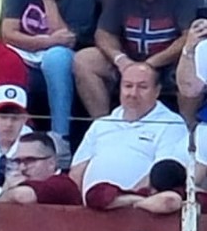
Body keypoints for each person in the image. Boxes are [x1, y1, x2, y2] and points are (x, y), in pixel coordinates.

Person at [79, 0, 199, 118]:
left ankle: (186, 128)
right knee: (84, 60)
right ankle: (104, 125)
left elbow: (190, 36)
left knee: (195, 61)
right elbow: (104, 34)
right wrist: (122, 61)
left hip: (170, 64)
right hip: (129, 61)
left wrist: (150, 64)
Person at [2, 0, 94, 140]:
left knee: (56, 57)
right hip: (25, 51)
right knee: (3, 57)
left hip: (61, 55)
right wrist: (47, 41)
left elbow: (67, 40)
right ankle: (10, 135)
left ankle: (59, 137)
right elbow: (8, 32)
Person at [69, 63, 189, 212]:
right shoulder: (101, 124)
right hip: (91, 209)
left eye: (142, 87)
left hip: (139, 210)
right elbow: (77, 171)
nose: (133, 93)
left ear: (157, 91)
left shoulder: (172, 123)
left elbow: (161, 175)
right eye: (128, 86)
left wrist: (126, 199)